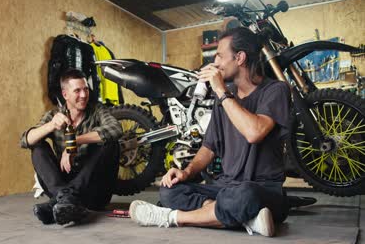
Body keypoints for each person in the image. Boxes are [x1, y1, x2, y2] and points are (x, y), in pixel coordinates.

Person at [129, 27, 291, 237]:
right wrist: (186, 172)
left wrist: (221, 91)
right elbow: (209, 146)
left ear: (240, 57)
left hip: (263, 190)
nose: (215, 62)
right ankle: (244, 219)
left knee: (245, 196)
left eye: (220, 56)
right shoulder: (224, 96)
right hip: (225, 188)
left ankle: (171, 218)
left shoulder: (275, 90)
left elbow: (254, 132)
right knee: (170, 190)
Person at [20, 69, 123, 225]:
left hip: (93, 189)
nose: (83, 95)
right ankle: (67, 201)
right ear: (65, 94)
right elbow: (25, 140)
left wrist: (74, 142)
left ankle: (59, 202)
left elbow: (116, 129)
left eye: (86, 89)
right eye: (77, 90)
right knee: (38, 146)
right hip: (61, 185)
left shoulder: (97, 110)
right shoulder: (54, 115)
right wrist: (50, 125)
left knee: (110, 143)